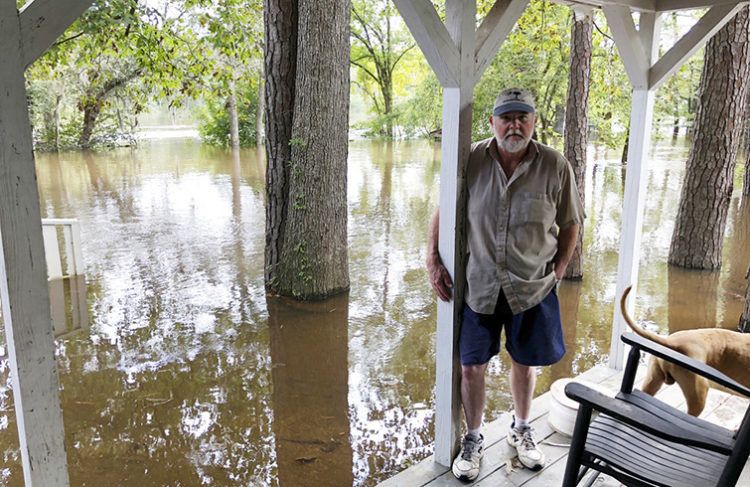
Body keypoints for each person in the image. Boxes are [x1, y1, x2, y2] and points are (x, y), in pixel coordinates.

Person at [426, 88, 584, 482]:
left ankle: (522, 428)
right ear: (493, 122)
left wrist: (560, 269)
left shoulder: (555, 164)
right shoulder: (472, 160)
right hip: (478, 283)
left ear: (533, 121)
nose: (514, 125)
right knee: (471, 366)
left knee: (525, 363)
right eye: (506, 117)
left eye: (522, 117)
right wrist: (432, 258)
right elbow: (444, 209)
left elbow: (571, 222)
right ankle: (474, 438)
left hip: (531, 285)